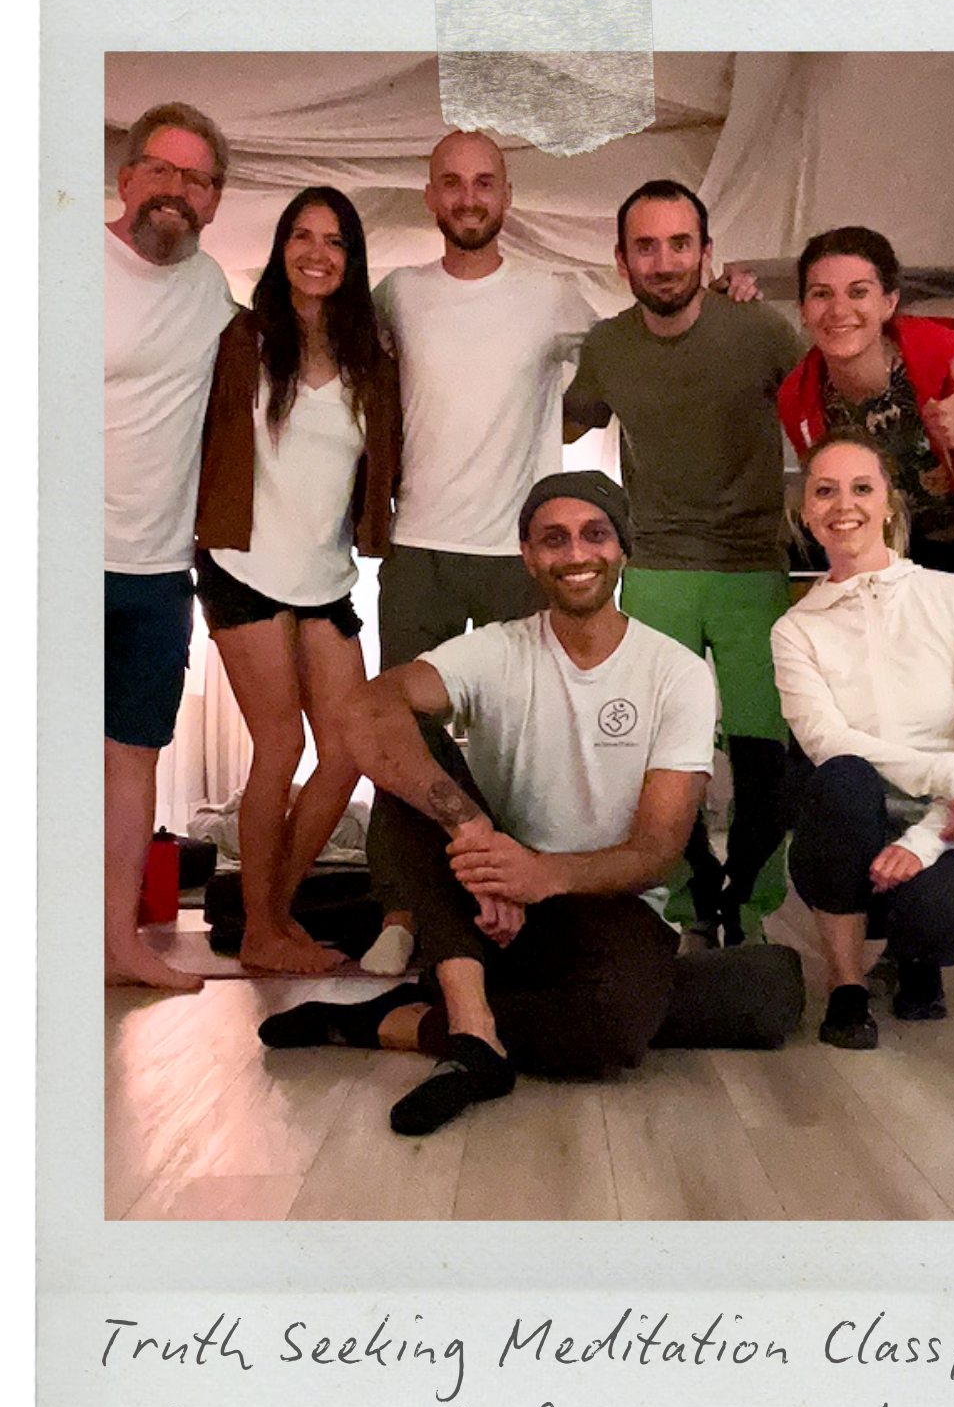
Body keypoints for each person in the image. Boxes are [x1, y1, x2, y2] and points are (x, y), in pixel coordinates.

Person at [258, 473, 805, 1134]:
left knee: (715, 1001)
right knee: (405, 757)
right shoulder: (497, 650)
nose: (575, 554)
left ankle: (397, 1020)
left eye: (594, 535)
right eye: (554, 539)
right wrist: (476, 831)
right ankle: (471, 1019)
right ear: (528, 556)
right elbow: (366, 706)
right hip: (482, 904)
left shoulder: (675, 674)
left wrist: (544, 876)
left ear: (622, 549)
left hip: (602, 909)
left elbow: (658, 851)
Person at [563, 180, 803, 944]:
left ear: (706, 253)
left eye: (678, 244)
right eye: (646, 246)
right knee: (656, 753)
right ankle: (695, 901)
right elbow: (557, 418)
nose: (663, 262)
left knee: (766, 759)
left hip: (752, 569)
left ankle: (753, 908)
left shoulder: (759, 329)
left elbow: (823, 399)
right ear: (621, 259)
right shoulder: (605, 346)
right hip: (657, 567)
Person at [194, 188, 402, 976]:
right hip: (241, 566)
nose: (317, 252)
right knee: (278, 745)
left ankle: (271, 917)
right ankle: (262, 929)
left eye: (334, 241)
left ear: (351, 260)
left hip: (323, 576)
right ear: (283, 248)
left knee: (348, 752)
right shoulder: (242, 338)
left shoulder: (369, 360)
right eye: (302, 237)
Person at [770, 431, 954, 1051]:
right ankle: (846, 984)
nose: (843, 505)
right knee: (843, 773)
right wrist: (950, 777)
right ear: (806, 511)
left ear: (890, 503)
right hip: (847, 826)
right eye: (824, 491)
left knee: (939, 921)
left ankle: (916, 959)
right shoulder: (795, 630)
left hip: (949, 828)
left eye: (862, 488)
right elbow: (829, 740)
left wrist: (920, 840)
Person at [372, 129, 598, 669]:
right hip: (418, 551)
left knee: (521, 735)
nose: (468, 199)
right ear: (429, 196)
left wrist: (557, 424)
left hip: (518, 556)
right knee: (404, 730)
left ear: (506, 195)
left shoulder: (551, 293)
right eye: (452, 183)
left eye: (483, 183)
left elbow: (623, 362)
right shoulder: (397, 292)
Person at [105, 102, 236, 991]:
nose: (177, 192)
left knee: (131, 758)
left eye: (198, 180)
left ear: (216, 200)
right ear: (126, 177)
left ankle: (119, 942)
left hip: (157, 573)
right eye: (163, 170)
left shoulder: (212, 289)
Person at [777, 225, 954, 574]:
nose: (838, 310)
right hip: (884, 556)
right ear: (803, 310)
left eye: (858, 292)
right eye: (822, 294)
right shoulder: (797, 397)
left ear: (888, 302)